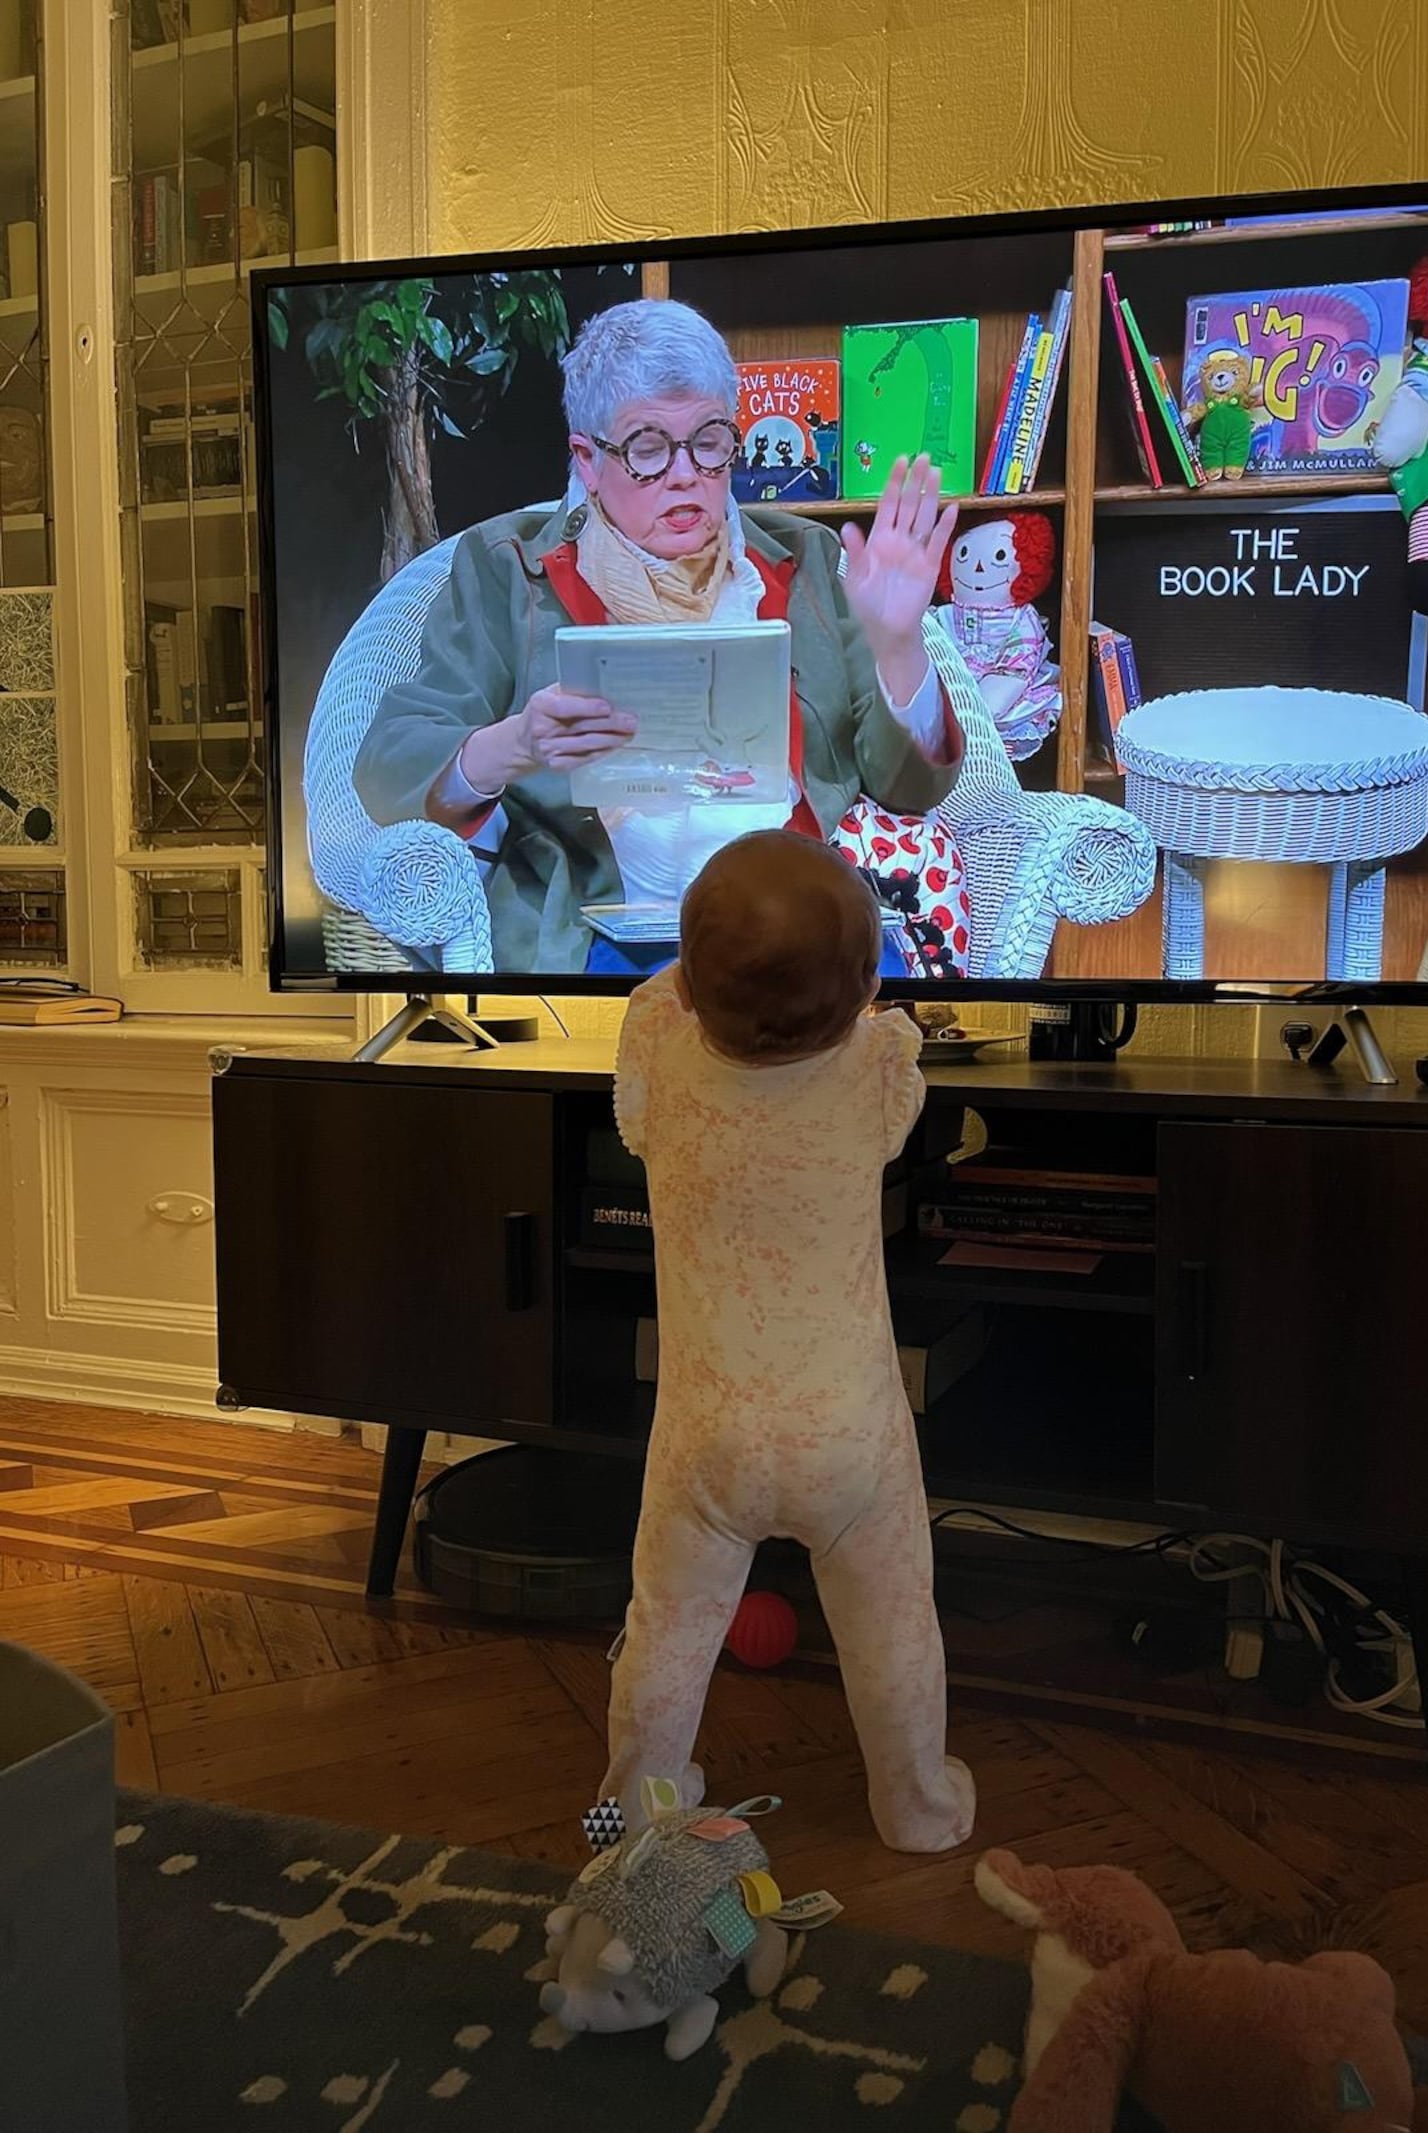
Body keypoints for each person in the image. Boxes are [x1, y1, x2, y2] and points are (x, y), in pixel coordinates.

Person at [352, 298, 964, 975]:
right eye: (647, 449)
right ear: (587, 460)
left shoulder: (804, 558)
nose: (685, 474)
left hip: (795, 916)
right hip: (604, 927)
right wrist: (514, 744)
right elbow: (389, 763)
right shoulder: (505, 570)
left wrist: (900, 648)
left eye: (709, 442)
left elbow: (910, 789)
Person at [599, 829, 977, 1854]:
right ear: (864, 990)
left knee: (666, 1631)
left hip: (705, 1438)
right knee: (893, 1624)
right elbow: (891, 1033)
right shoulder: (879, 1075)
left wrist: (702, 969)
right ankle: (918, 1810)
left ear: (689, 985)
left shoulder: (656, 1060)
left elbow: (659, 997)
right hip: (848, 1438)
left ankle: (633, 1812)